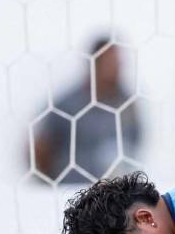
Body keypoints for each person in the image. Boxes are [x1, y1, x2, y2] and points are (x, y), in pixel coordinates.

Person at [30, 37, 141, 184]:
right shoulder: (68, 104)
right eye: (110, 63)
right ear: (95, 63)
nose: (116, 68)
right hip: (73, 189)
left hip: (113, 191)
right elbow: (41, 146)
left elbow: (134, 142)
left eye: (118, 63)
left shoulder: (126, 104)